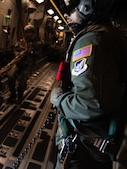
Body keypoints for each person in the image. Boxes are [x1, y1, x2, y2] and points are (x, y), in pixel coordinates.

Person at [50, 0, 127, 169]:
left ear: (86, 7)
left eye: (70, 10)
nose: (66, 15)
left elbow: (90, 103)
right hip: (95, 144)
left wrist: (59, 99)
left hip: (86, 148)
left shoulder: (93, 40)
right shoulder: (108, 35)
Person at [7, 23, 36, 103]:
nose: (29, 34)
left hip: (27, 66)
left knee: (22, 82)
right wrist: (19, 54)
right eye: (27, 32)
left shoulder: (35, 44)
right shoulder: (20, 43)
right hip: (18, 64)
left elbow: (37, 55)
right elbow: (15, 51)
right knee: (10, 76)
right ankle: (12, 94)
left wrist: (31, 53)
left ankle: (20, 97)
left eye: (31, 32)